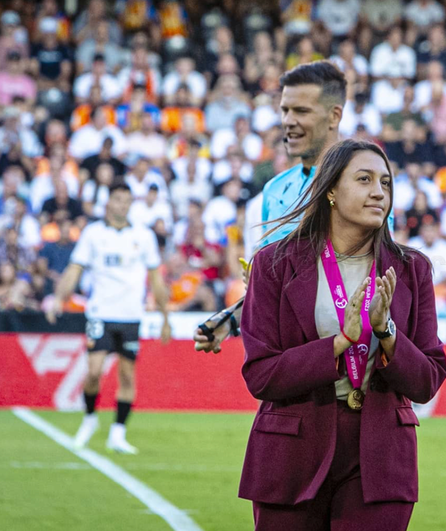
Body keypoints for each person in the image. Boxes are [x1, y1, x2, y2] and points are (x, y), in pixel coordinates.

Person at [239, 138, 446, 529]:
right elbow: (261, 374)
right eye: (365, 179)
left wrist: (386, 333)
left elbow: (427, 381)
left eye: (385, 183)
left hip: (381, 456)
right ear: (331, 189)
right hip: (292, 452)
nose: (378, 192)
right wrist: (339, 342)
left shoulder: (412, 269)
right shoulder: (273, 264)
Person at [193, 61, 392, 353]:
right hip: (286, 362)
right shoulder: (274, 190)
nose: (288, 120)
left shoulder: (365, 183)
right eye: (285, 110)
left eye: (301, 111)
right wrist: (232, 320)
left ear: (334, 115)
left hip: (349, 357)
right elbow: (272, 286)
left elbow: (380, 276)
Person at [45, 183, 171, 454]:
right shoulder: (93, 233)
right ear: (108, 202)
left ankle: (118, 433)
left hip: (130, 316)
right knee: (93, 371)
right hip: (100, 312)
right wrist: (58, 298)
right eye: (117, 199)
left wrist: (165, 316)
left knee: (127, 376)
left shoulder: (143, 235)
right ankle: (90, 418)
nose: (122, 205)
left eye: (127, 200)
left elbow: (156, 279)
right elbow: (74, 269)